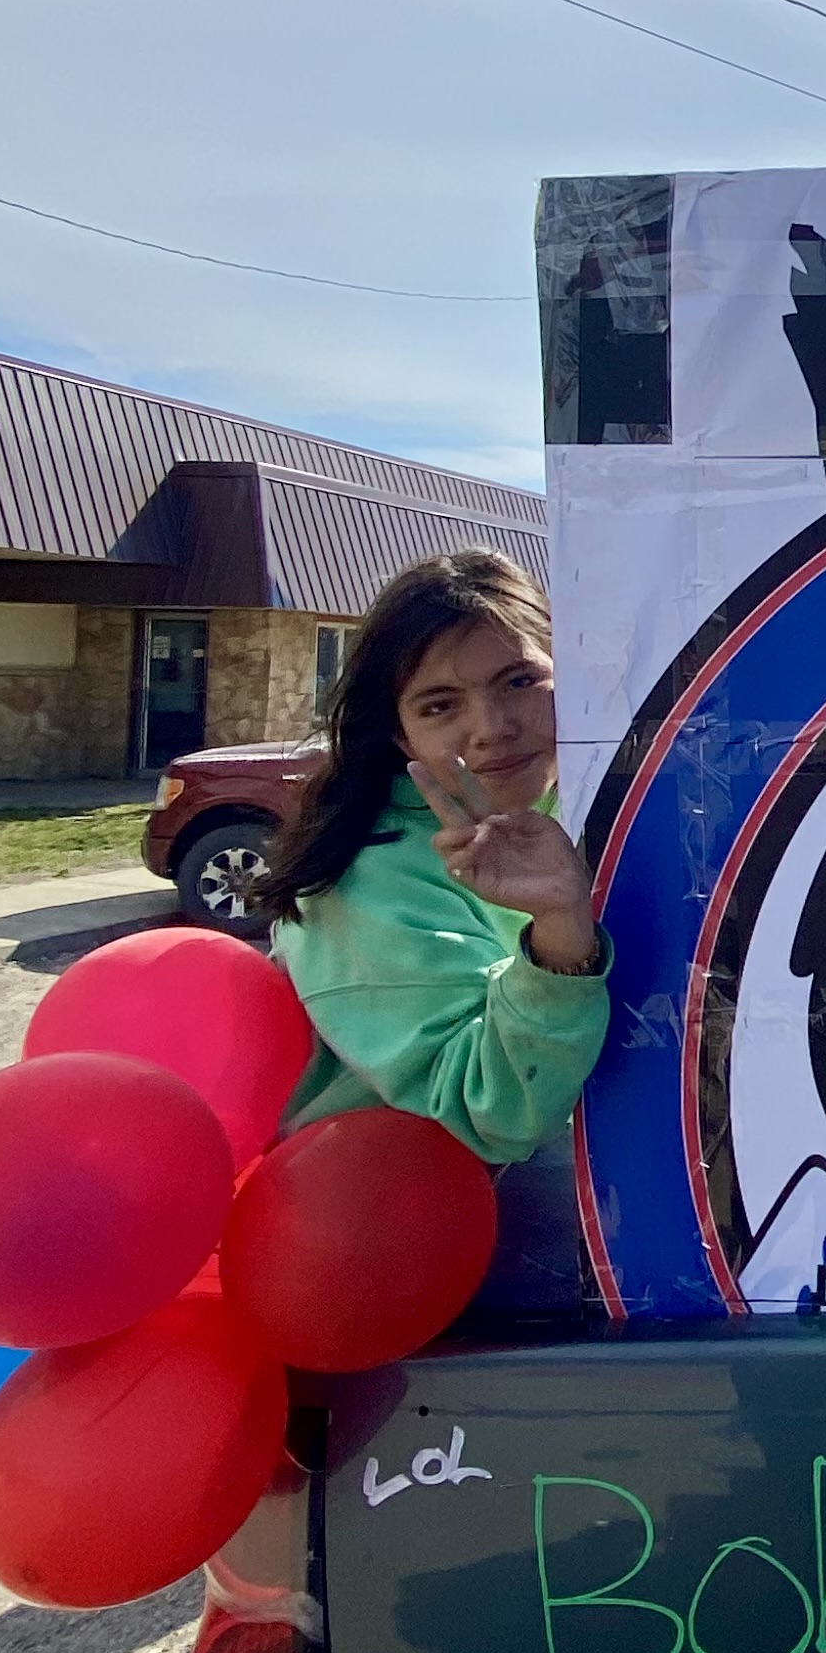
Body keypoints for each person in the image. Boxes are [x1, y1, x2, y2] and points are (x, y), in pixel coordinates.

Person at [254, 551, 612, 1301]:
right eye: (440, 704)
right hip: (401, 1288)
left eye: (520, 681)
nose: (493, 729)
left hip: (573, 1236)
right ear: (398, 736)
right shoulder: (361, 884)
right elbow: (492, 1112)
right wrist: (559, 935)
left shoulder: (592, 811)